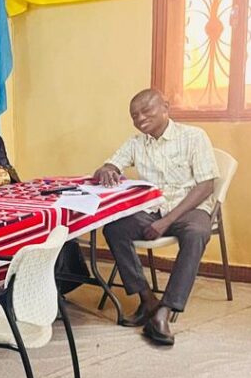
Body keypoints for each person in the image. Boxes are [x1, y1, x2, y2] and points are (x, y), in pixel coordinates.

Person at [93, 89, 218, 346]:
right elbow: (110, 164)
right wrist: (107, 169)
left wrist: (166, 221)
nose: (140, 119)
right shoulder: (136, 143)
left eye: (146, 111)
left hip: (189, 209)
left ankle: (165, 311)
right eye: (134, 115)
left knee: (196, 233)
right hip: (152, 210)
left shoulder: (194, 137)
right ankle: (147, 300)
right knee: (114, 228)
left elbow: (206, 186)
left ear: (165, 107)